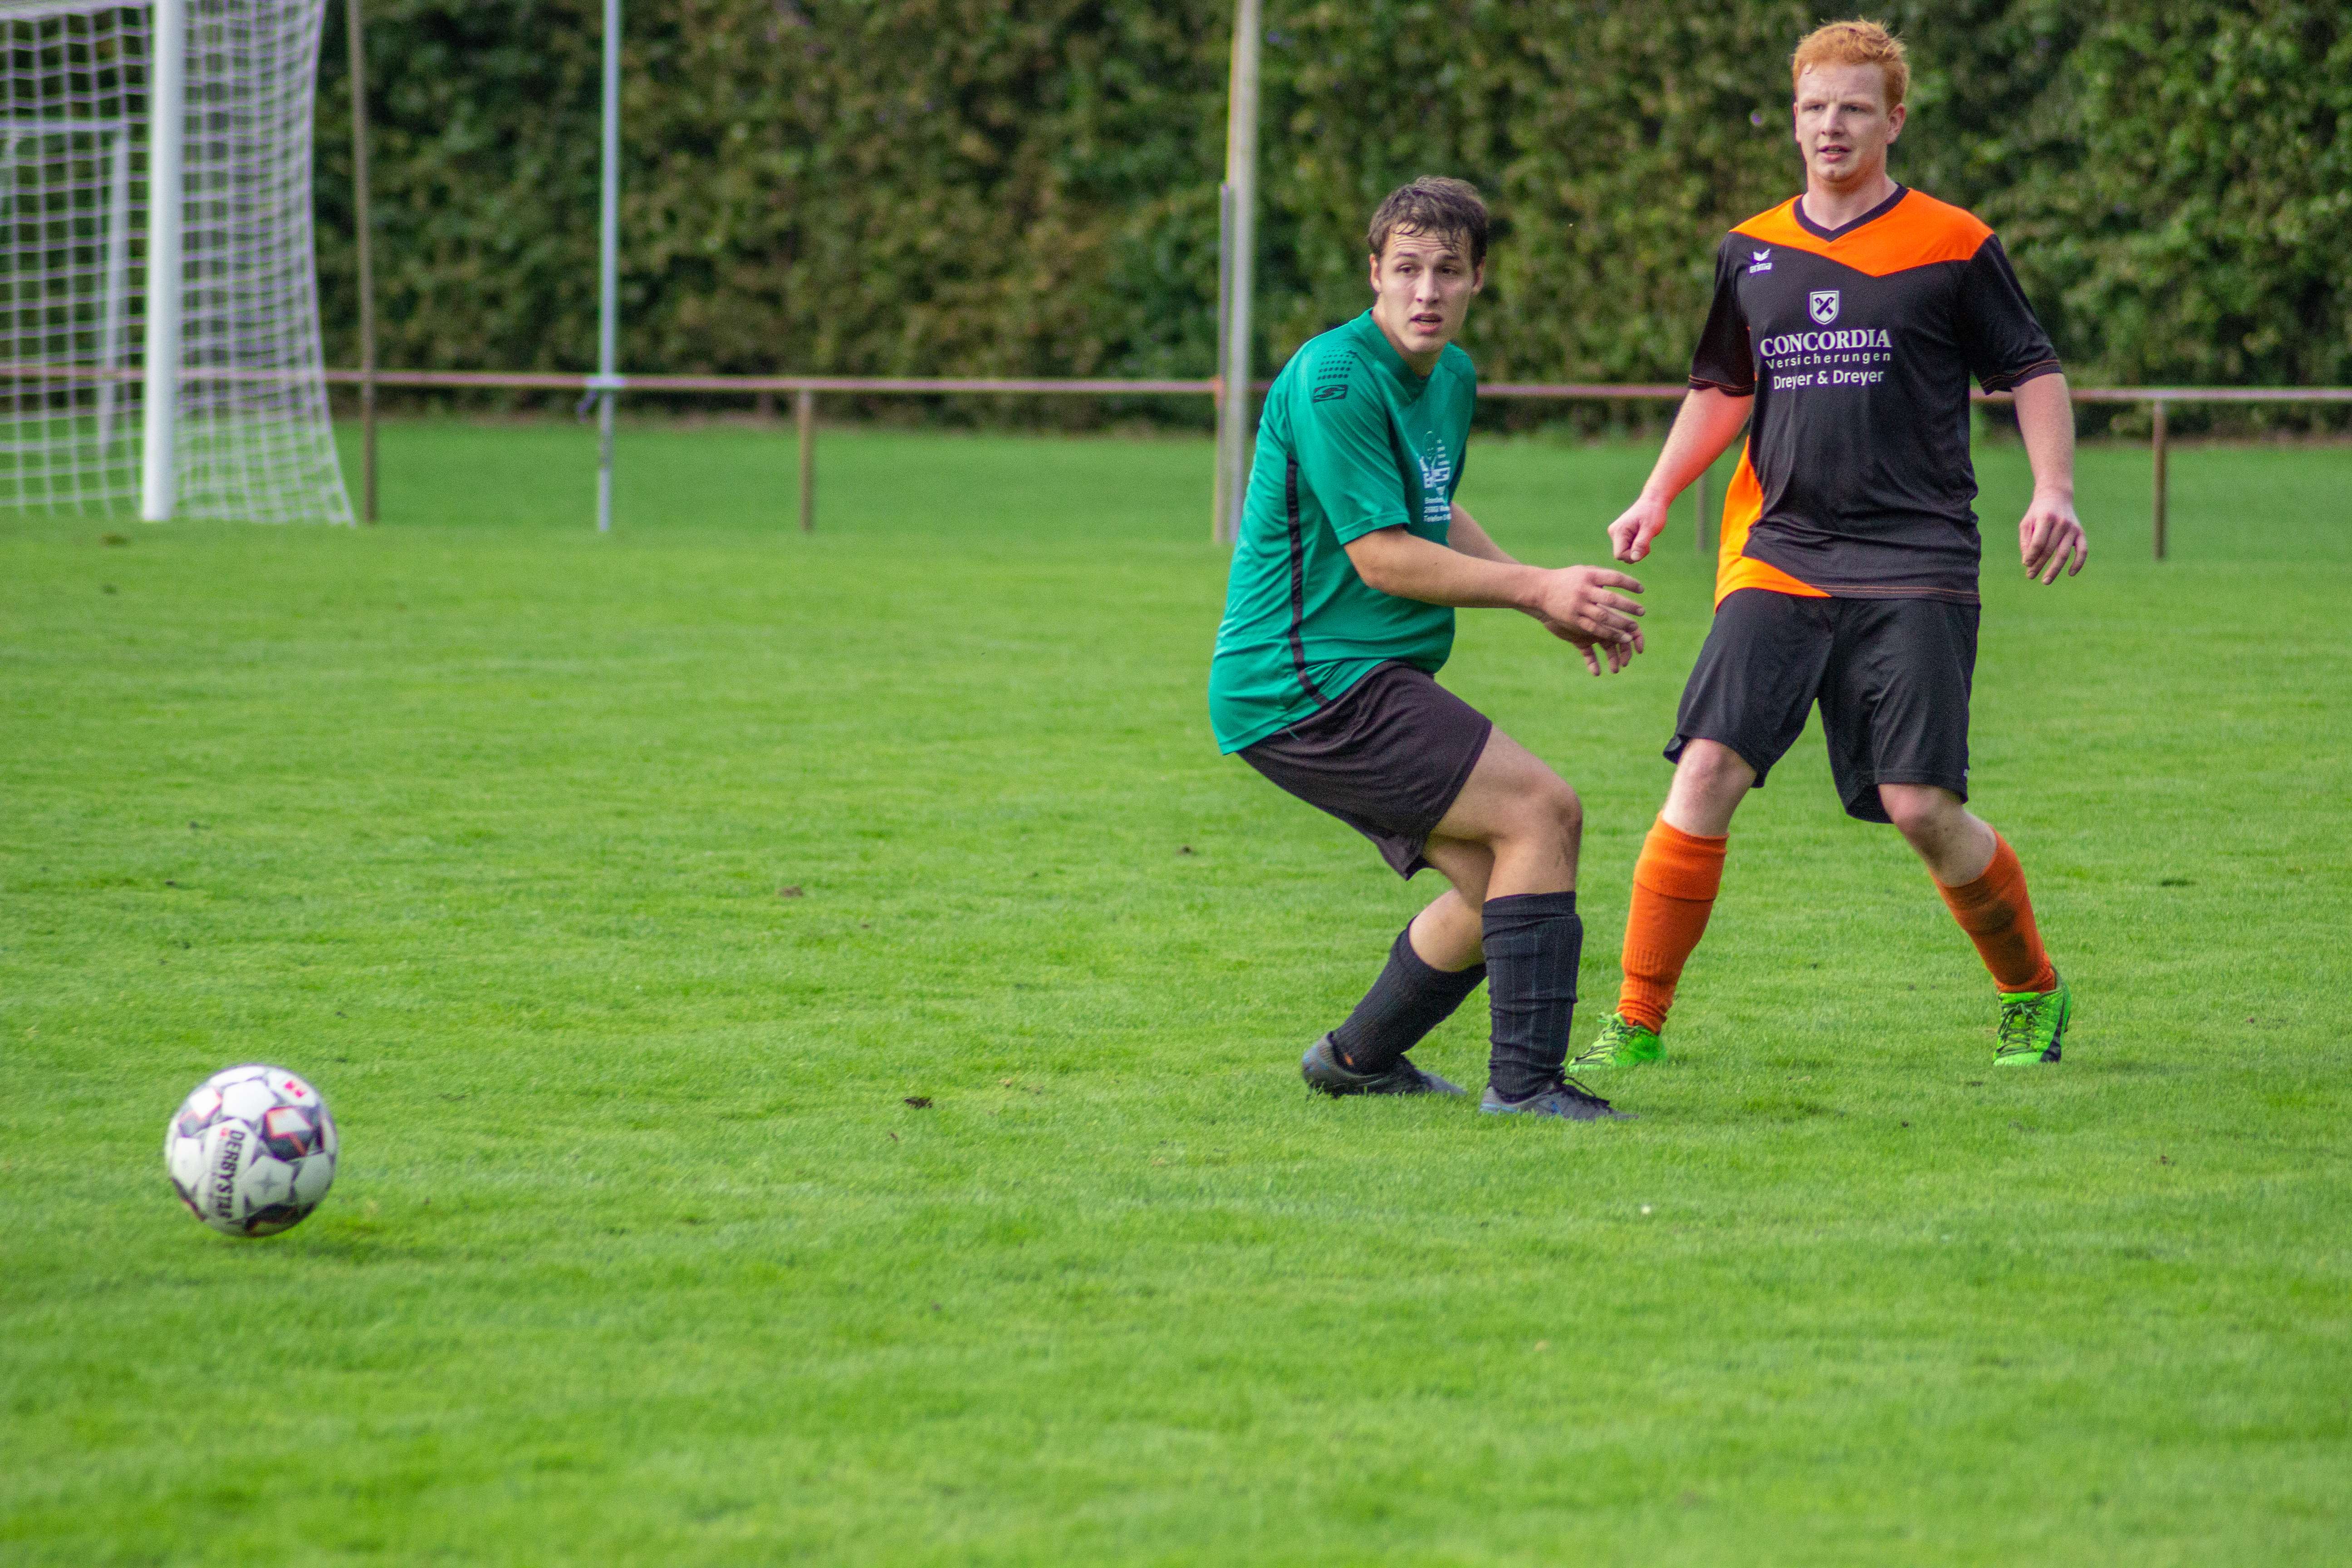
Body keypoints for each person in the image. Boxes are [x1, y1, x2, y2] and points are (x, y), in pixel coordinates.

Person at [1574, 20, 2087, 1074]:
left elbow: (2031, 368)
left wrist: (2055, 489)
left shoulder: (1953, 242)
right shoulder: (1751, 249)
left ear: (1894, 119)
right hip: (1781, 550)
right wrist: (1659, 492)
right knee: (1706, 766)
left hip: (1919, 556)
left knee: (1919, 806)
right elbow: (1723, 387)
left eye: (1854, 106)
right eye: (1814, 106)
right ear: (1794, 118)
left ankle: (2031, 991)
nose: (1831, 126)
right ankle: (1634, 1023)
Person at [1209, 176, 1647, 1121]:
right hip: (1304, 681)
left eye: (1449, 271)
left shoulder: (1450, 376)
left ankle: (1356, 1061)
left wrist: (1540, 601)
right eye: (1406, 269)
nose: (1426, 291)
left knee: (1509, 885)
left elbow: (1430, 509)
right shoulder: (1334, 378)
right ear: (1373, 274)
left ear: (1478, 279)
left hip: (1350, 677)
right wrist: (1537, 587)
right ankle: (1526, 1090)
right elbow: (1382, 557)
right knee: (1544, 812)